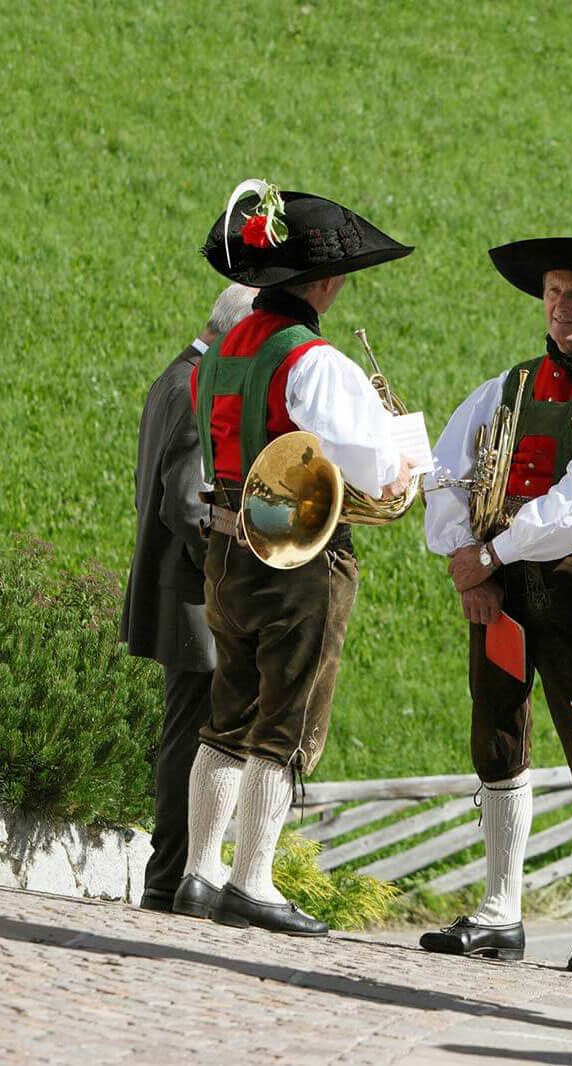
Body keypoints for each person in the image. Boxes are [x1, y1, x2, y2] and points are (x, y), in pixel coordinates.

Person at [172, 181, 416, 936]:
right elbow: (377, 468)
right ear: (323, 282)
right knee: (286, 718)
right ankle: (253, 882)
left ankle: (199, 874)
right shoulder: (315, 361)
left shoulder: (217, 354)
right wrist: (403, 470)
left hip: (224, 550)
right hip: (295, 559)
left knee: (228, 714)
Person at [419, 237, 572, 976]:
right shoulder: (508, 384)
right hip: (499, 584)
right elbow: (444, 470)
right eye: (553, 292)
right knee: (497, 734)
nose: (561, 307)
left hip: (569, 582)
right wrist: (467, 563)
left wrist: (492, 553)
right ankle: (500, 912)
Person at [121, 282, 255, 913]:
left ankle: (172, 874)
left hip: (181, 591)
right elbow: (185, 503)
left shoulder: (173, 377)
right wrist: (231, 567)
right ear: (237, 333)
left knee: (190, 733)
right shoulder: (197, 387)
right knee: (194, 737)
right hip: (195, 595)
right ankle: (171, 878)